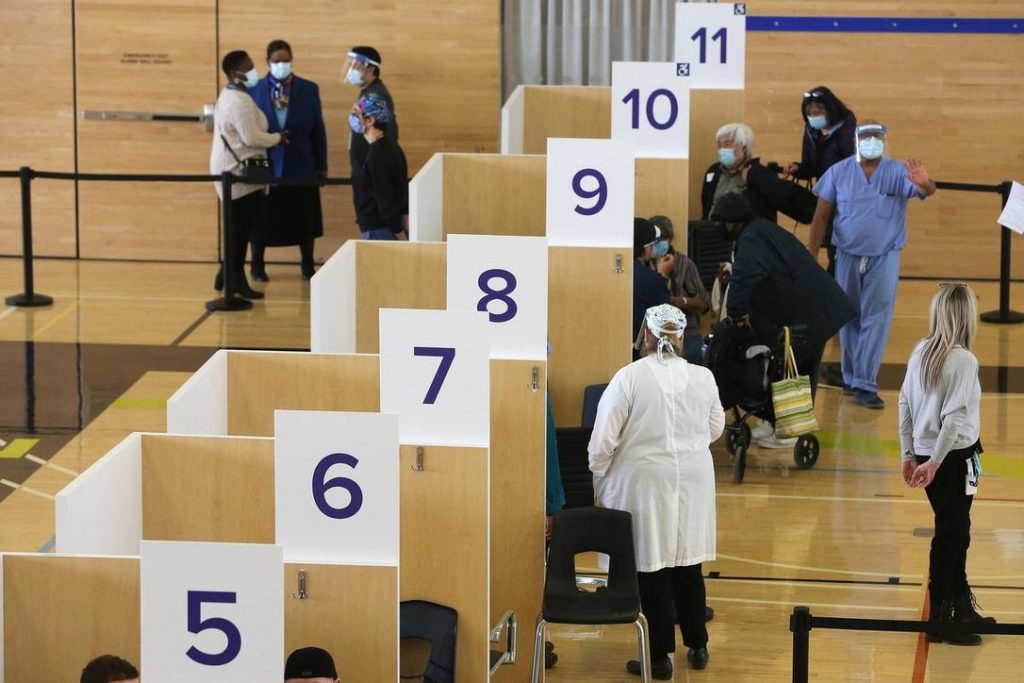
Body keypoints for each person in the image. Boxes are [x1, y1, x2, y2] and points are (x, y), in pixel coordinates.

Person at [589, 304, 725, 678]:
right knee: (688, 563)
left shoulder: (629, 377)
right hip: (693, 479)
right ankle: (698, 647)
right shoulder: (703, 377)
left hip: (645, 479)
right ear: (680, 338)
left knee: (652, 567)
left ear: (645, 335)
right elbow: (715, 427)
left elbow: (603, 441)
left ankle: (659, 657)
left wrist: (600, 476)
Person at [808, 121, 936, 409]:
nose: (871, 142)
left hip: (884, 255)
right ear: (856, 140)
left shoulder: (897, 171)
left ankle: (866, 383)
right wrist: (810, 256)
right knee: (848, 315)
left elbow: (927, 190)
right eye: (866, 137)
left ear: (884, 140)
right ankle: (852, 377)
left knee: (876, 316)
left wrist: (924, 181)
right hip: (847, 255)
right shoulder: (839, 173)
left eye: (877, 137)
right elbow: (820, 218)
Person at [713, 192, 855, 448]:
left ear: (733, 222)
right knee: (787, 362)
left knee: (796, 365)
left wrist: (734, 314)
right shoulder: (760, 230)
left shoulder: (752, 239)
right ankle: (774, 423)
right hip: (807, 307)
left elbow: (746, 277)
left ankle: (789, 431)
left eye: (722, 223)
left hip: (811, 311)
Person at [899, 283, 994, 645]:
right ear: (965, 317)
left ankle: (959, 606)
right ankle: (940, 619)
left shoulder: (919, 350)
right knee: (951, 535)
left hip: (931, 455)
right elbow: (954, 420)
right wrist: (936, 463)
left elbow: (904, 405)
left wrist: (911, 455)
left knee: (956, 530)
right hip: (951, 458)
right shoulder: (964, 361)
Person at [210, 49, 287, 300]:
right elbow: (251, 136)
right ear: (235, 73)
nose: (254, 71)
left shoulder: (236, 95)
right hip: (237, 173)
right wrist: (278, 139)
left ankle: (227, 274)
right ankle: (235, 282)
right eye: (249, 67)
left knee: (240, 228)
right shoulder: (239, 100)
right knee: (240, 230)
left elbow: (255, 127)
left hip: (239, 169)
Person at [249, 39, 327, 281]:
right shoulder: (255, 90)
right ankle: (258, 265)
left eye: (285, 61)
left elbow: (318, 130)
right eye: (276, 61)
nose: (281, 65)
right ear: (267, 62)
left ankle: (307, 265)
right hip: (267, 163)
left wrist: (321, 166)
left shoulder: (309, 89)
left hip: (301, 163)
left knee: (304, 216)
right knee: (261, 219)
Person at [784, 86, 857, 276]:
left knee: (839, 250)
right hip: (826, 196)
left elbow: (852, 162)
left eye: (817, 112)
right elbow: (811, 166)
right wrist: (798, 169)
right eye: (809, 113)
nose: (813, 117)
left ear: (829, 109)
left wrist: (830, 138)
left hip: (847, 198)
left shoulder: (847, 128)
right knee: (828, 243)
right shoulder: (812, 131)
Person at [701, 123, 801, 224]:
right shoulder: (713, 171)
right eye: (719, 145)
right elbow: (706, 205)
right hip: (713, 234)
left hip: (747, 236)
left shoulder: (758, 173)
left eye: (727, 145)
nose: (722, 150)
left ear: (744, 147)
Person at [344, 47, 399, 221]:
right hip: (366, 175)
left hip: (371, 181)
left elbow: (385, 136)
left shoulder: (376, 96)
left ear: (370, 70)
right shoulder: (368, 93)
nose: (351, 70)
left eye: (356, 66)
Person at [649, 215, 711, 365]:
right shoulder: (643, 264)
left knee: (691, 354)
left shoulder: (684, 263)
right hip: (654, 333)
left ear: (670, 239)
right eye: (654, 239)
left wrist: (681, 301)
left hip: (686, 332)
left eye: (662, 238)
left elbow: (704, 303)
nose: (657, 243)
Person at [352, 94, 408, 239]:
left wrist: (398, 231)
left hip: (379, 228)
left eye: (357, 114)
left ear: (370, 120)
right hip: (384, 226)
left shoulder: (378, 154)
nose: (353, 118)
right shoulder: (391, 147)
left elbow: (384, 196)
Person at [631, 218, 670, 357]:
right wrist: (663, 276)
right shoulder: (652, 279)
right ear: (645, 247)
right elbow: (665, 315)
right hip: (641, 353)